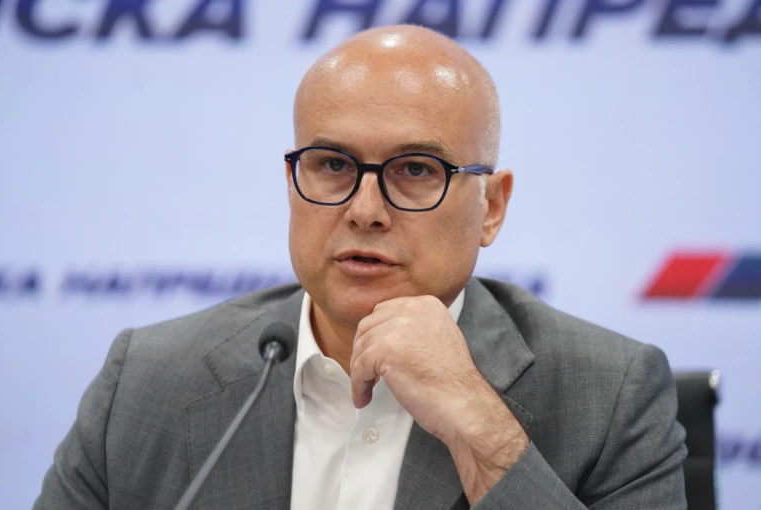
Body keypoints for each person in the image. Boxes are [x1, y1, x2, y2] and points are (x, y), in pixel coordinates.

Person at [34, 25, 687, 509]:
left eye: (415, 170)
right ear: (291, 184)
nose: (365, 210)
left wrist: (479, 427)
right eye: (332, 165)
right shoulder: (146, 382)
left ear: (491, 207)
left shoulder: (610, 395)